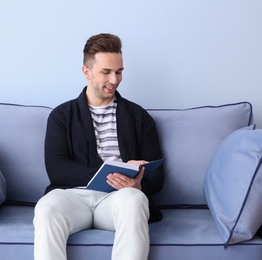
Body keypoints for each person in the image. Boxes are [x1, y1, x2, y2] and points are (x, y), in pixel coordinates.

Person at [33, 33, 164, 260]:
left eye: (119, 71)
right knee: (46, 208)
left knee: (134, 199)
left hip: (118, 200)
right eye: (106, 72)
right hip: (73, 198)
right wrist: (111, 172)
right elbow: (56, 167)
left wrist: (137, 183)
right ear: (87, 72)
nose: (114, 79)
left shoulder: (139, 117)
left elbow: (158, 173)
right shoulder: (62, 116)